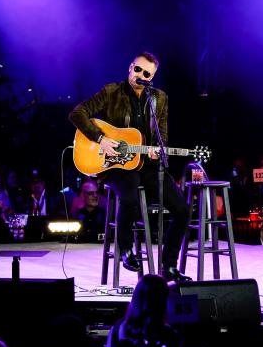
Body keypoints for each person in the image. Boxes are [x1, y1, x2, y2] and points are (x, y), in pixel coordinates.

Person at [68, 51, 191, 282]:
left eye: (146, 73)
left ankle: (169, 266)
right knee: (130, 195)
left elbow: (161, 136)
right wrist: (100, 138)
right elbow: (77, 114)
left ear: (152, 76)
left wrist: (157, 150)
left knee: (183, 211)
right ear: (130, 67)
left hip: (145, 164)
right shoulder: (111, 91)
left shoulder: (160, 99)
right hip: (114, 164)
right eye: (137, 70)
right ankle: (125, 250)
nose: (140, 76)